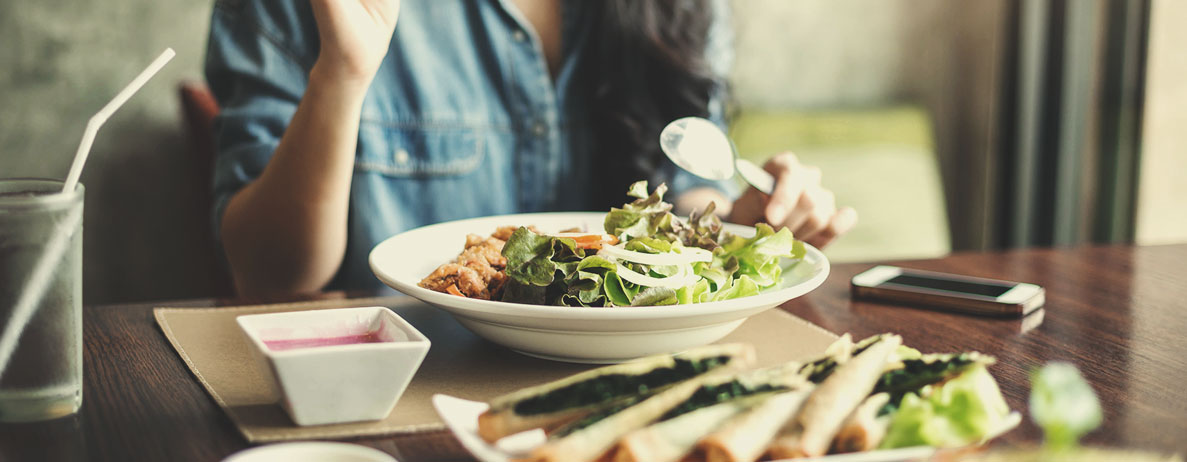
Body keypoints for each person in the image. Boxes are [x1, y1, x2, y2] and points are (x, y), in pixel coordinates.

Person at [205, 0, 857, 296]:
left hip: (636, 382)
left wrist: (735, 225)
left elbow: (678, 188)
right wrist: (342, 72)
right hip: (398, 394)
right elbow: (267, 275)